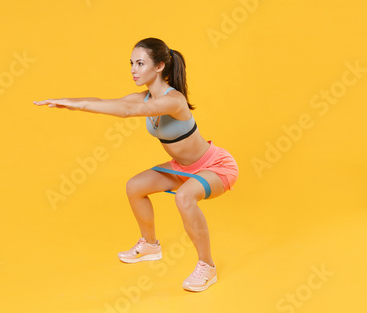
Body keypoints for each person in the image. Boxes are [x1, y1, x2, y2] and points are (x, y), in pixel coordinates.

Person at [33, 37, 239, 292]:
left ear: (160, 66)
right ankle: (150, 245)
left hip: (215, 166)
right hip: (182, 167)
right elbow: (111, 102)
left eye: (140, 63)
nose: (133, 69)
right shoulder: (143, 97)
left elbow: (127, 112)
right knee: (135, 187)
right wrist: (69, 101)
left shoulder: (173, 100)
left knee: (184, 198)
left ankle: (207, 267)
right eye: (131, 63)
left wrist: (79, 105)